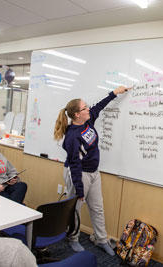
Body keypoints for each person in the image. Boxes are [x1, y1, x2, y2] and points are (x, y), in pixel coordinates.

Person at [53, 86, 131, 255]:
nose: (88, 109)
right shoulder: (72, 136)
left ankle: (101, 239)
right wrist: (80, 189)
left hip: (94, 172)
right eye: (84, 108)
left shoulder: (87, 121)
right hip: (78, 174)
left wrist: (114, 94)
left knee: (97, 207)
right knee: (75, 208)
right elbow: (74, 164)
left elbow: (98, 107)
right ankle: (73, 239)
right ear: (76, 115)